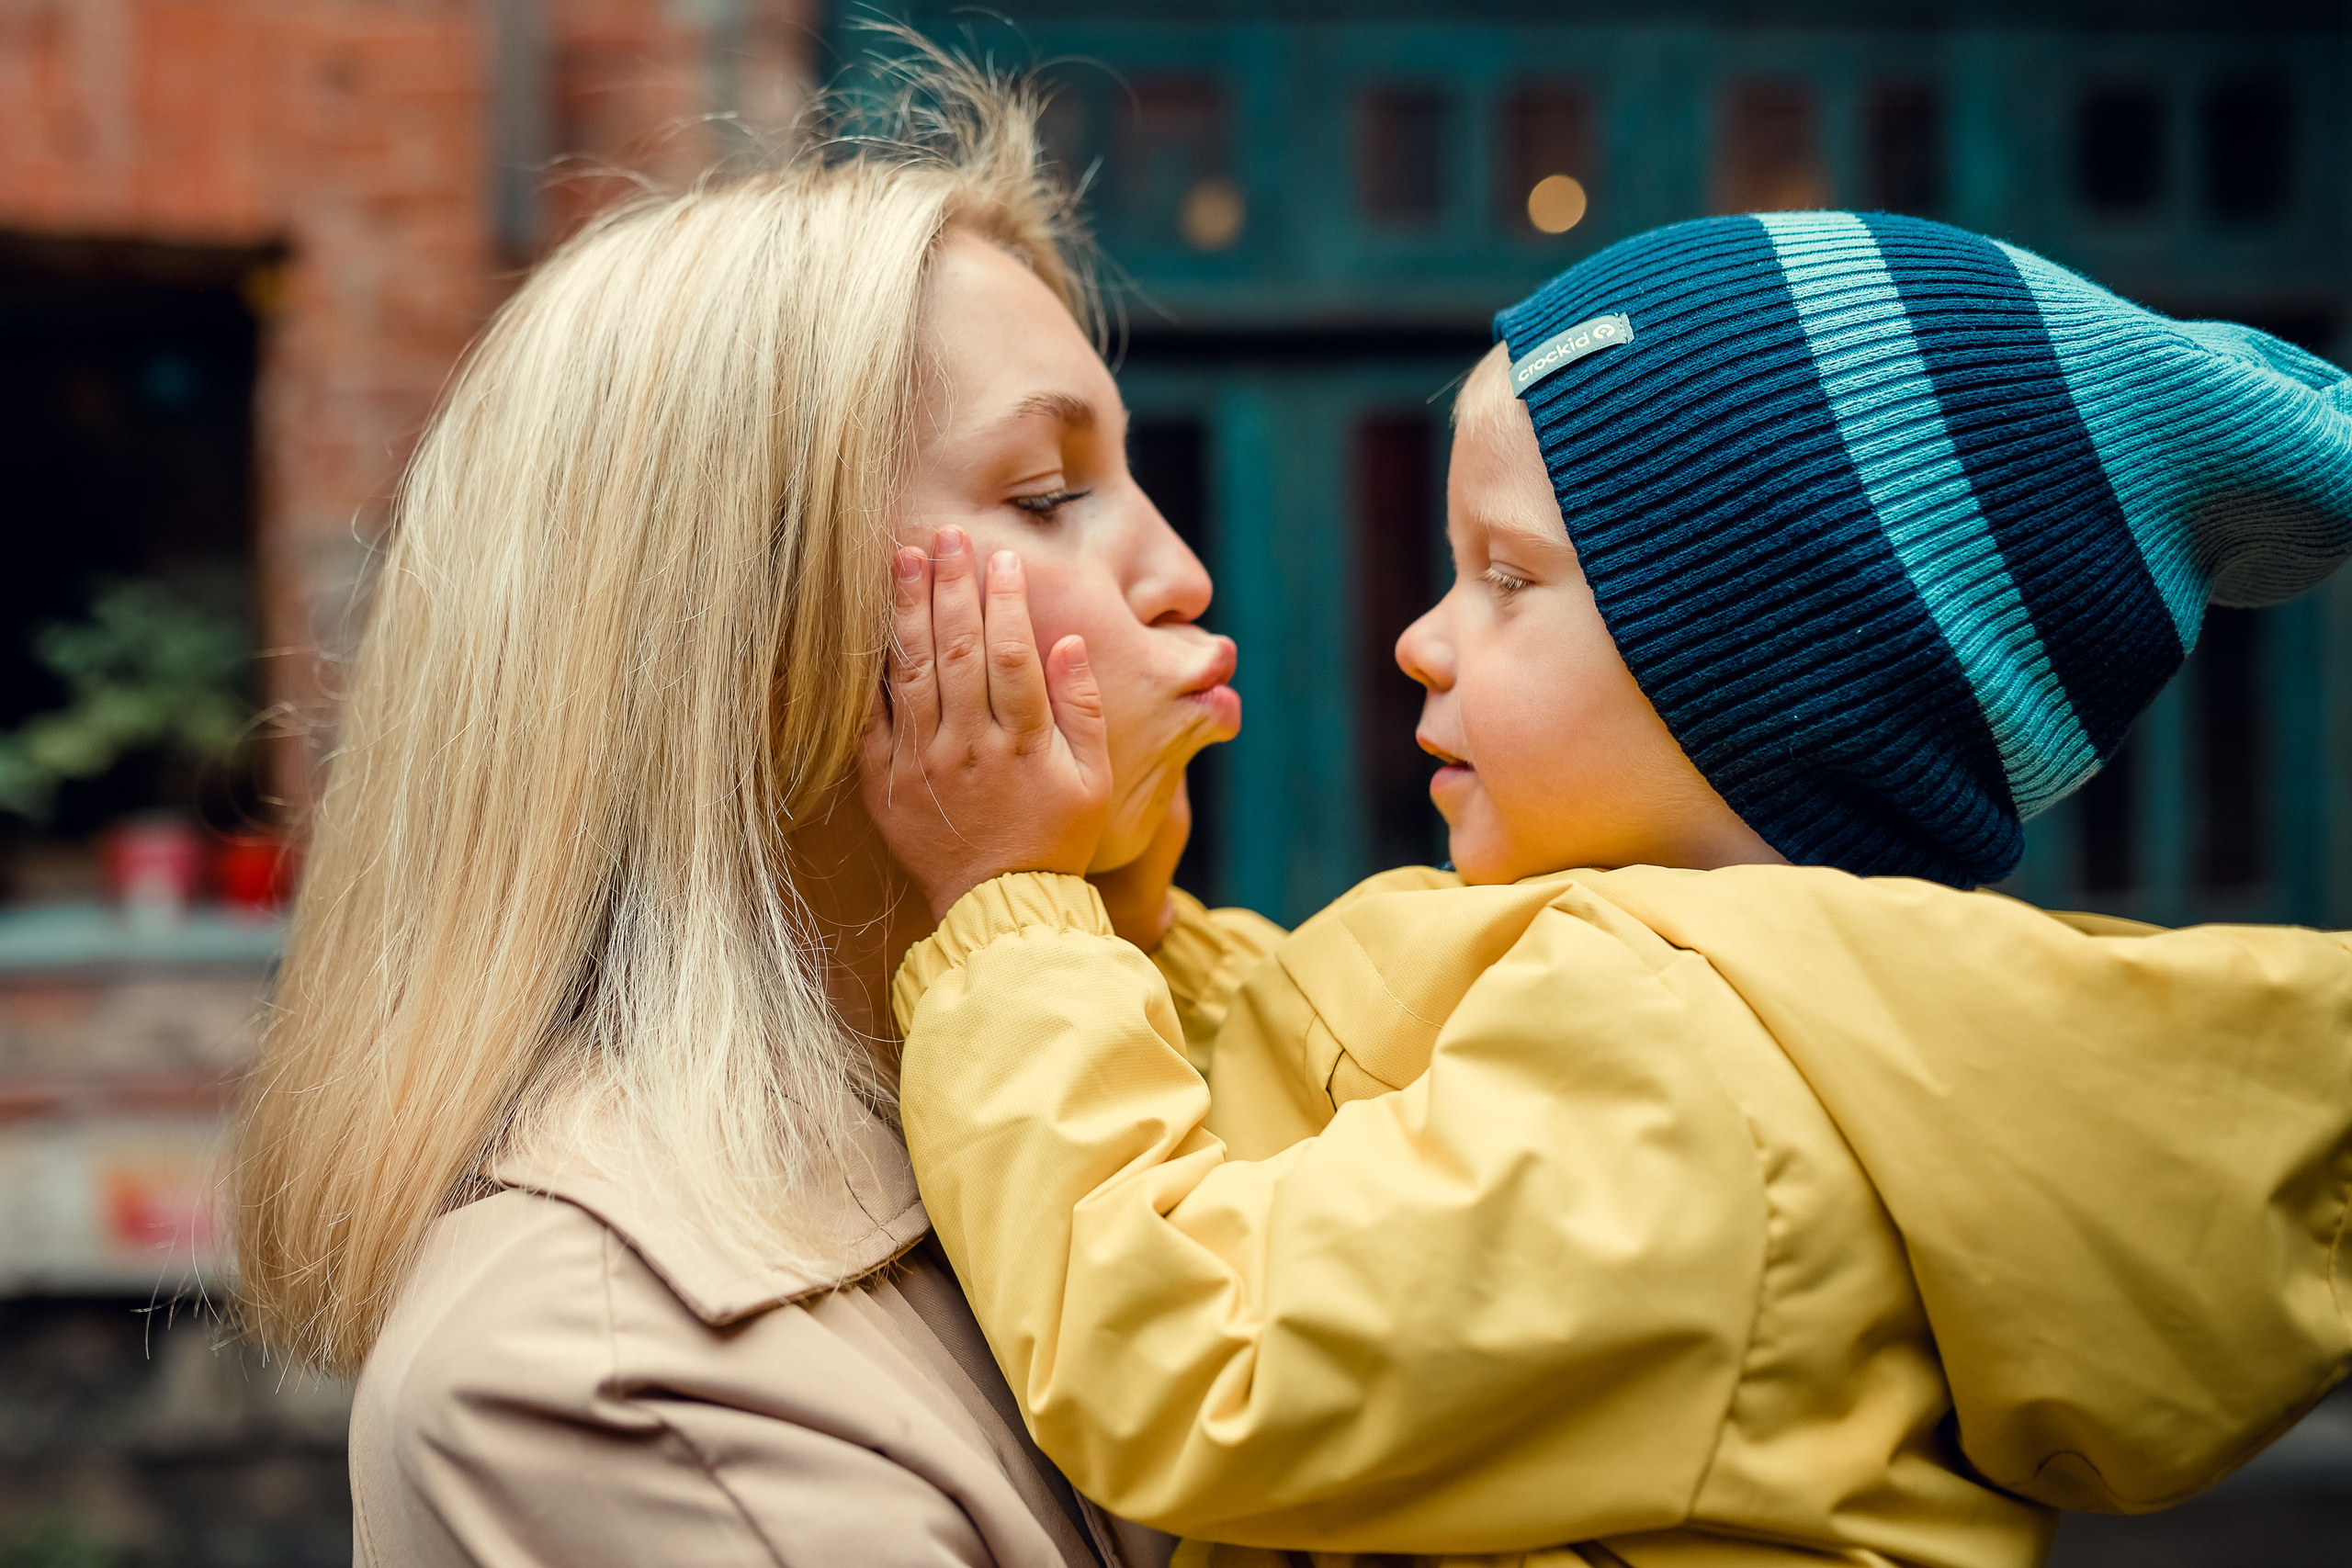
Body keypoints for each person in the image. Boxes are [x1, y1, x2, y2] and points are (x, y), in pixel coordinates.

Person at [867, 213, 2352, 1568]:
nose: (1422, 641)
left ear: (1780, 684)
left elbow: (1196, 1365)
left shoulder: (1685, 1068)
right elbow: (1296, 1036)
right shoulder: (1769, 1017)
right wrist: (1107, 896)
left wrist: (1009, 906)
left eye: (1507, 578)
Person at [232, 58, 1225, 1567]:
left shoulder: (1099, 1086)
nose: (1178, 573)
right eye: (1041, 495)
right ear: (747, 634)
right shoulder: (593, 1374)